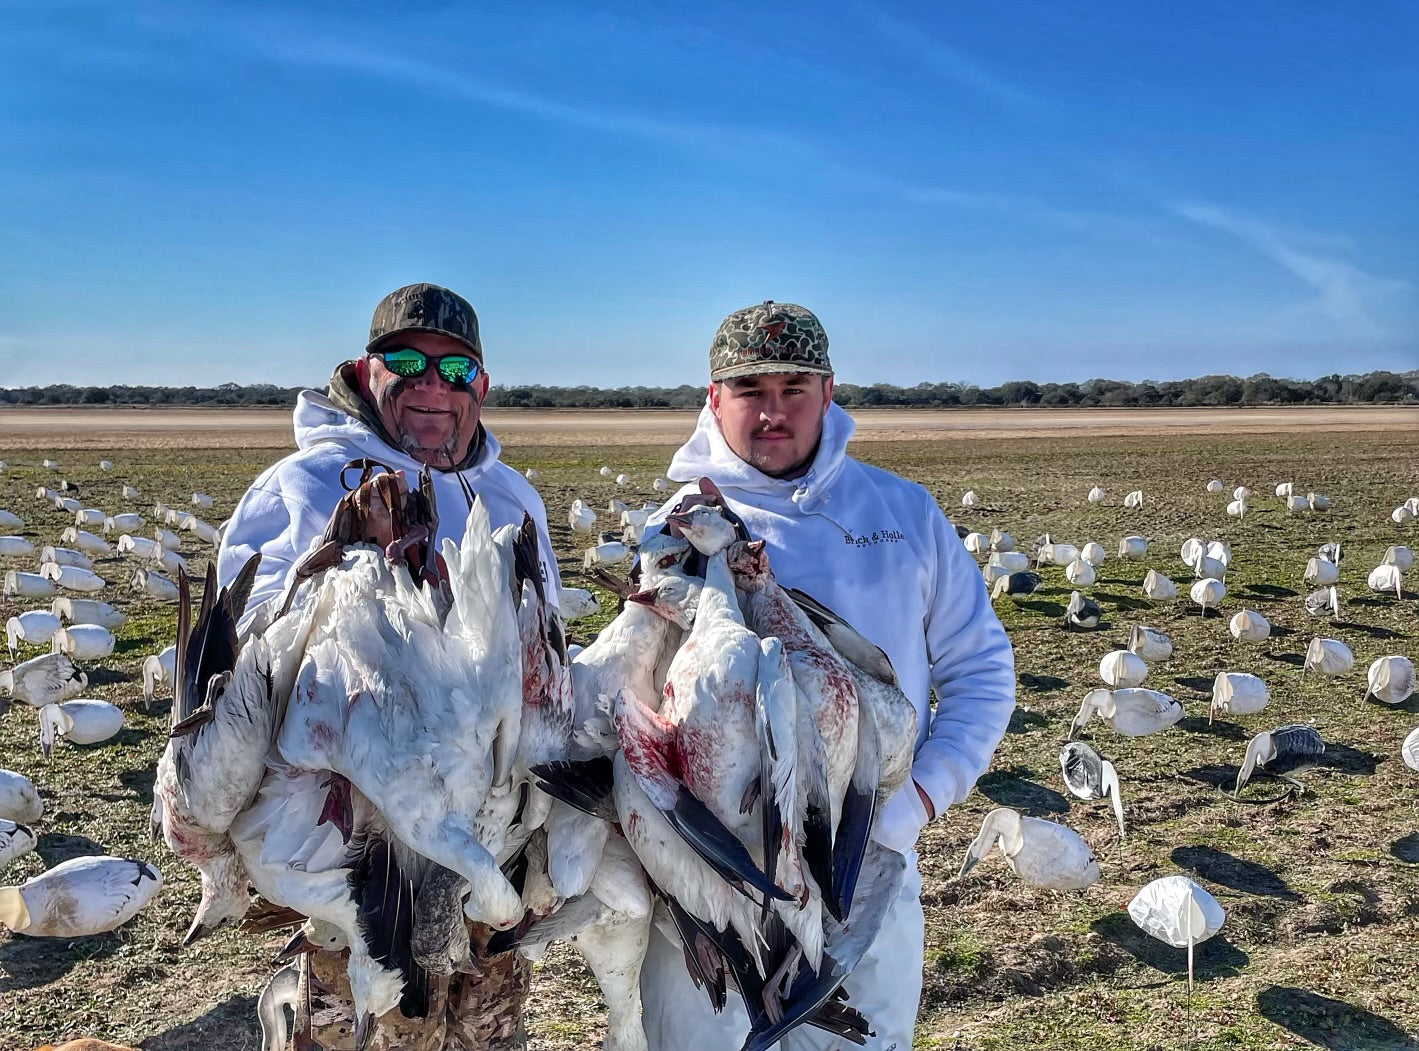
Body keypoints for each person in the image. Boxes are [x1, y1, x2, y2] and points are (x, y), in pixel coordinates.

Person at [640, 300, 1016, 1051]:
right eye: (749, 389)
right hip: (710, 880)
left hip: (861, 867)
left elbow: (981, 669)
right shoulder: (671, 531)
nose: (771, 411)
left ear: (829, 391)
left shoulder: (902, 513)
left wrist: (910, 805)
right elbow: (640, 703)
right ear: (714, 399)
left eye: (793, 388)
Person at [217, 282, 558, 1051]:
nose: (435, 386)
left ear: (483, 386)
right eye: (408, 361)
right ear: (365, 370)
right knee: (366, 1027)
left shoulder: (511, 499)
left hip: (491, 843)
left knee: (486, 1034)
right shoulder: (299, 487)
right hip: (357, 855)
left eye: (457, 370)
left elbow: (548, 649)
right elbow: (245, 661)